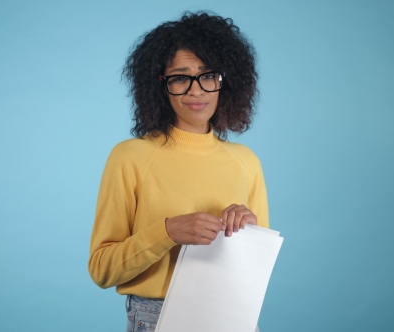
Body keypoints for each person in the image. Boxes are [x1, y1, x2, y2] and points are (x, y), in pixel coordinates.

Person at [88, 11, 268, 331]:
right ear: (161, 85)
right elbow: (102, 270)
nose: (196, 91)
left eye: (208, 75)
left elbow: (254, 275)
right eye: (180, 77)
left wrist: (249, 233)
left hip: (234, 315)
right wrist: (167, 232)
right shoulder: (130, 157)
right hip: (159, 317)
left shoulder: (246, 161)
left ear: (224, 81)